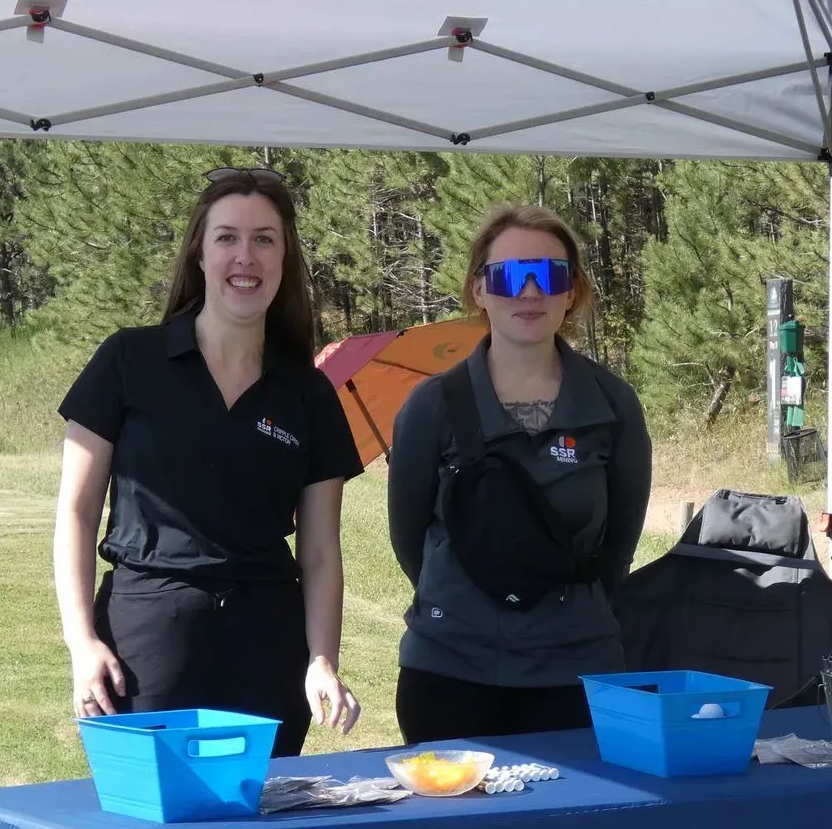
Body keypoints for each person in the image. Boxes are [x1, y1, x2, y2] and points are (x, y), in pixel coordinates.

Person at [54, 166, 362, 757]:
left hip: (268, 651)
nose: (244, 256)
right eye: (227, 237)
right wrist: (81, 641)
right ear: (199, 252)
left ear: (284, 259)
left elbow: (321, 552)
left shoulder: (307, 393)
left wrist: (321, 660)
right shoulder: (128, 360)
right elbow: (76, 510)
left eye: (263, 239)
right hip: (143, 647)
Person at [387, 203, 652, 744]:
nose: (529, 293)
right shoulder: (432, 405)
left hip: (575, 670)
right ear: (479, 290)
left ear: (572, 291)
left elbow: (619, 545)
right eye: (509, 276)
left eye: (550, 275)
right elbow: (408, 537)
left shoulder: (613, 404)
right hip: (449, 668)